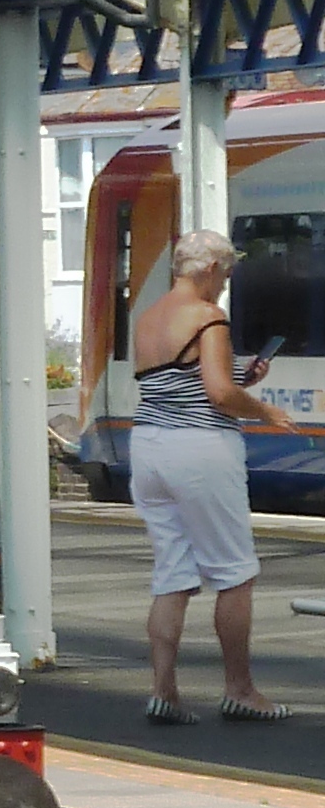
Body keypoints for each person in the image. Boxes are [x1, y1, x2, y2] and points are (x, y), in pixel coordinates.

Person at [128, 227, 287, 726]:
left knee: (173, 572)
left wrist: (242, 375)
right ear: (211, 269)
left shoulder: (147, 319)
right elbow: (218, 394)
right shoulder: (208, 316)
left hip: (148, 448)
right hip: (200, 448)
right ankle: (240, 689)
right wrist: (263, 409)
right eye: (226, 274)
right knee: (235, 573)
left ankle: (164, 691)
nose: (224, 286)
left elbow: (177, 382)